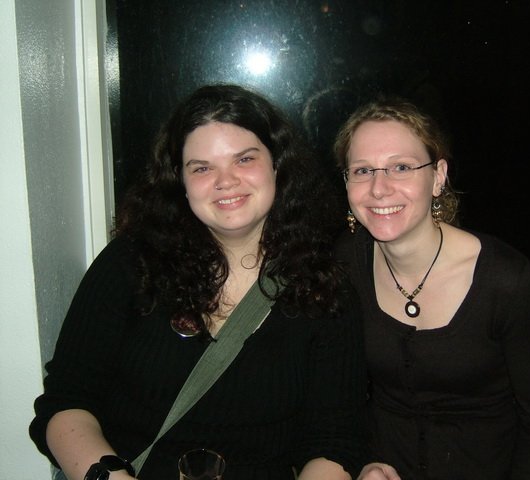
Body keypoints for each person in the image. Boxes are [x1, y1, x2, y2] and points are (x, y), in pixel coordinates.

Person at [30, 84, 368, 480]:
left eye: (244, 159)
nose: (226, 181)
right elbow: (66, 402)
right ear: (180, 180)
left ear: (277, 164)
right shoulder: (130, 263)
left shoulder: (323, 286)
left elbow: (334, 442)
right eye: (202, 168)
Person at [333, 97, 530, 480]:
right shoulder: (347, 262)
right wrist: (363, 463)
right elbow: (338, 394)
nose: (378, 188)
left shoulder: (505, 280)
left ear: (438, 176)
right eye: (362, 170)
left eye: (401, 167)